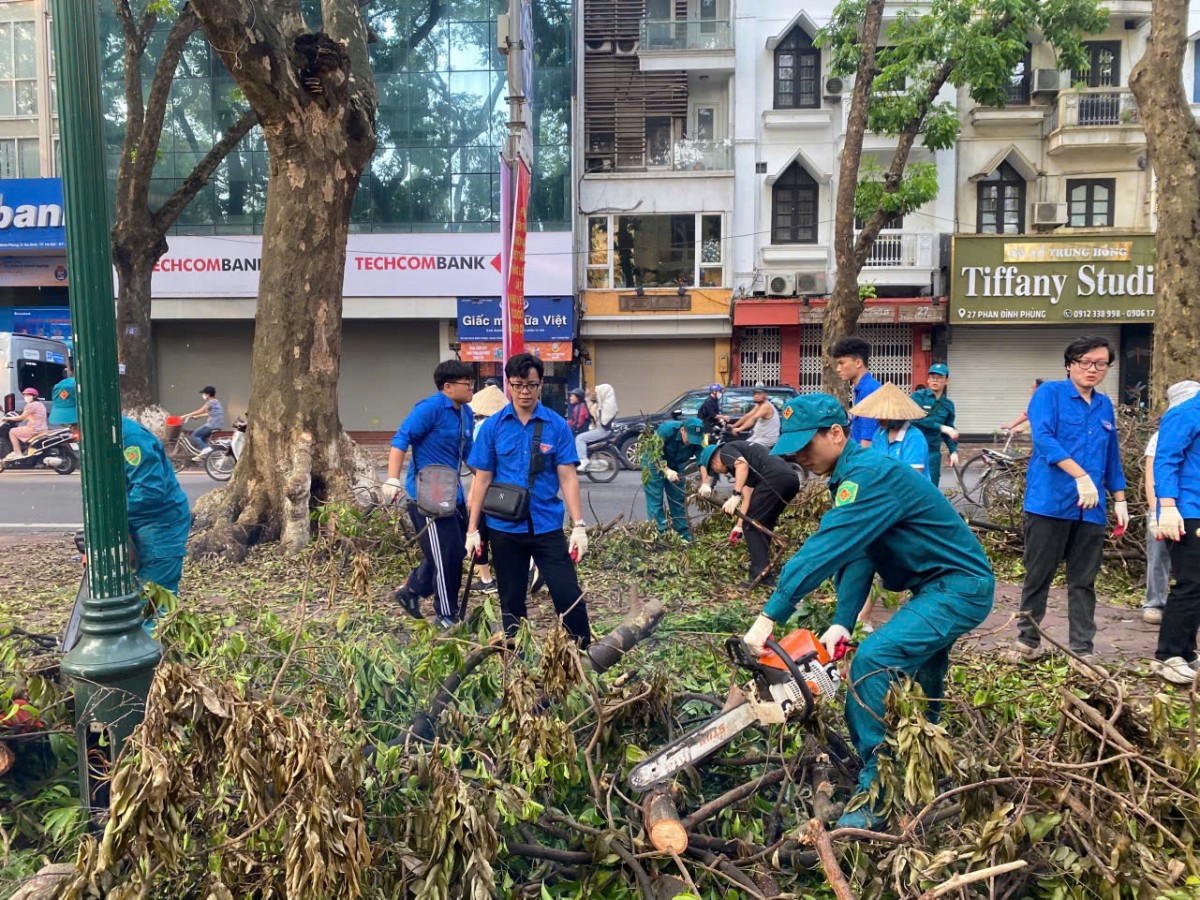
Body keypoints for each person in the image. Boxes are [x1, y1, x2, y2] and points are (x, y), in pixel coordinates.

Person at [740, 393, 994, 830]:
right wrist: (842, 618)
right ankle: (926, 760)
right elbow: (860, 553)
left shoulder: (869, 476)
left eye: (806, 446)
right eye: (793, 449)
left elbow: (827, 546)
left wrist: (771, 615)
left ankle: (880, 790)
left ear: (836, 434)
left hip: (959, 589)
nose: (800, 457)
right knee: (924, 669)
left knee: (874, 661)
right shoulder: (852, 477)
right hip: (937, 587)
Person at [1007, 337, 1127, 665]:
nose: (1092, 369)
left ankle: (1082, 649)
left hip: (1091, 510)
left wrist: (1119, 498)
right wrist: (1081, 476)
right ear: (1070, 364)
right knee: (1038, 574)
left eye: (1100, 364)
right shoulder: (1050, 394)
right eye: (1085, 362)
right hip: (1049, 503)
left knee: (1084, 580)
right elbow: (1044, 438)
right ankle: (1028, 641)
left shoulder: (1104, 405)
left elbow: (1111, 455)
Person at [466, 352, 592, 646]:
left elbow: (567, 476)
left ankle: (584, 653)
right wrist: (472, 530)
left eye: (531, 385)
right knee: (511, 599)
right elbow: (481, 479)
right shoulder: (493, 427)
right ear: (508, 384)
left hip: (546, 526)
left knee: (567, 594)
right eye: (518, 385)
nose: (525, 391)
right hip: (504, 528)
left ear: (541, 384)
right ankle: (517, 656)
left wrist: (579, 525)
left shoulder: (556, 425)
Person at [383, 360, 476, 628]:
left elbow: (468, 453)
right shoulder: (429, 409)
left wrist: (485, 477)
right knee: (446, 557)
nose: (471, 387)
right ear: (448, 387)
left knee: (455, 551)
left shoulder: (466, 413)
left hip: (453, 495)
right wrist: (392, 477)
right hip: (428, 497)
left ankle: (411, 590)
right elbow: (401, 439)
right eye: (466, 383)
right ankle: (446, 615)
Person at [698, 440, 800, 588]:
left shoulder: (726, 450)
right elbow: (749, 496)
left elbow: (742, 465)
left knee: (753, 525)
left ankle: (760, 575)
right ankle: (763, 569)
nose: (717, 472)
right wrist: (738, 527)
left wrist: (735, 495)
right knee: (760, 523)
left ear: (714, 461)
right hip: (789, 479)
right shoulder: (739, 462)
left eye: (713, 469)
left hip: (774, 478)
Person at [1149, 386, 1200, 684]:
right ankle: (1168, 655)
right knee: (1192, 581)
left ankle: (1186, 651)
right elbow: (1165, 460)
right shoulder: (1185, 413)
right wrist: (1167, 506)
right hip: (1187, 509)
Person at [122, 416, 192, 598]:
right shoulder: (97, 439)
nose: (74, 431)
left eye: (75, 424)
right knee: (134, 594)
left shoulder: (130, 438)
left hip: (161, 521)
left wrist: (115, 516)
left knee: (155, 597)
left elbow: (149, 490)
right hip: (132, 519)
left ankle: (155, 626)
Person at [465, 383, 508, 596]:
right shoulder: (508, 425)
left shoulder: (482, 428)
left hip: (486, 492)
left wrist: (473, 496)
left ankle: (486, 578)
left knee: (478, 534)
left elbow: (481, 470)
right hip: (506, 492)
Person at [642, 416, 706, 541]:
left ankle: (683, 535)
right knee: (655, 499)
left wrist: (705, 483)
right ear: (683, 430)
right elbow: (655, 453)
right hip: (654, 462)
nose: (691, 443)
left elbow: (702, 461)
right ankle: (659, 534)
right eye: (690, 439)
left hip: (676, 464)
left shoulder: (698, 440)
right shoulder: (667, 430)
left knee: (678, 500)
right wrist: (666, 470)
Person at [852, 383, 929, 474]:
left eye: (884, 415)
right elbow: (873, 463)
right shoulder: (879, 433)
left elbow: (913, 476)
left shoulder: (914, 437)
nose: (879, 419)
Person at [910, 363, 959, 485]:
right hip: (914, 449)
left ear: (946, 380)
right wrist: (941, 427)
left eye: (939, 377)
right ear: (928, 379)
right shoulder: (917, 397)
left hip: (933, 452)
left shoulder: (948, 405)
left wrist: (953, 451)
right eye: (932, 376)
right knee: (913, 486)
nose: (935, 380)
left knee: (932, 488)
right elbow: (915, 419)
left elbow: (950, 430)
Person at [833, 337, 881, 447]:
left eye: (842, 363)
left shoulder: (869, 390)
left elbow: (868, 440)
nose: (838, 369)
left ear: (858, 363)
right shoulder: (861, 389)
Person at [575, 384, 618, 472]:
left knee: (580, 438)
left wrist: (597, 407)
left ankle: (583, 460)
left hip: (602, 430)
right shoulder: (602, 404)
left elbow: (603, 421)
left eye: (597, 392)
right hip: (601, 429)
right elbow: (590, 408)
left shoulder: (607, 407)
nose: (595, 394)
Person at [729, 383, 780, 449]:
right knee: (742, 448)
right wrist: (733, 426)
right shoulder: (759, 405)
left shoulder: (766, 406)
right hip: (758, 436)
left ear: (765, 395)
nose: (756, 396)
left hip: (767, 438)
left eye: (759, 394)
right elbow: (747, 416)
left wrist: (739, 429)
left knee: (749, 449)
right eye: (755, 394)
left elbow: (753, 419)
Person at [3, 388, 48, 459]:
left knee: (12, 432)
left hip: (33, 429)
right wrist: (16, 418)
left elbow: (21, 418)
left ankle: (17, 453)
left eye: (28, 395)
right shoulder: (40, 405)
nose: (26, 397)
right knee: (20, 429)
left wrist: (7, 418)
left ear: (34, 396)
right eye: (24, 396)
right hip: (43, 429)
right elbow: (26, 418)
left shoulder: (30, 405)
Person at [181, 386, 224, 462]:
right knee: (201, 437)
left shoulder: (210, 403)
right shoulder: (217, 402)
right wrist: (197, 417)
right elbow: (209, 413)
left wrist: (185, 416)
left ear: (207, 394)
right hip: (218, 425)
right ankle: (203, 454)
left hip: (211, 425)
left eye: (203, 394)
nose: (203, 395)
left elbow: (200, 410)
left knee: (194, 435)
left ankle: (206, 449)